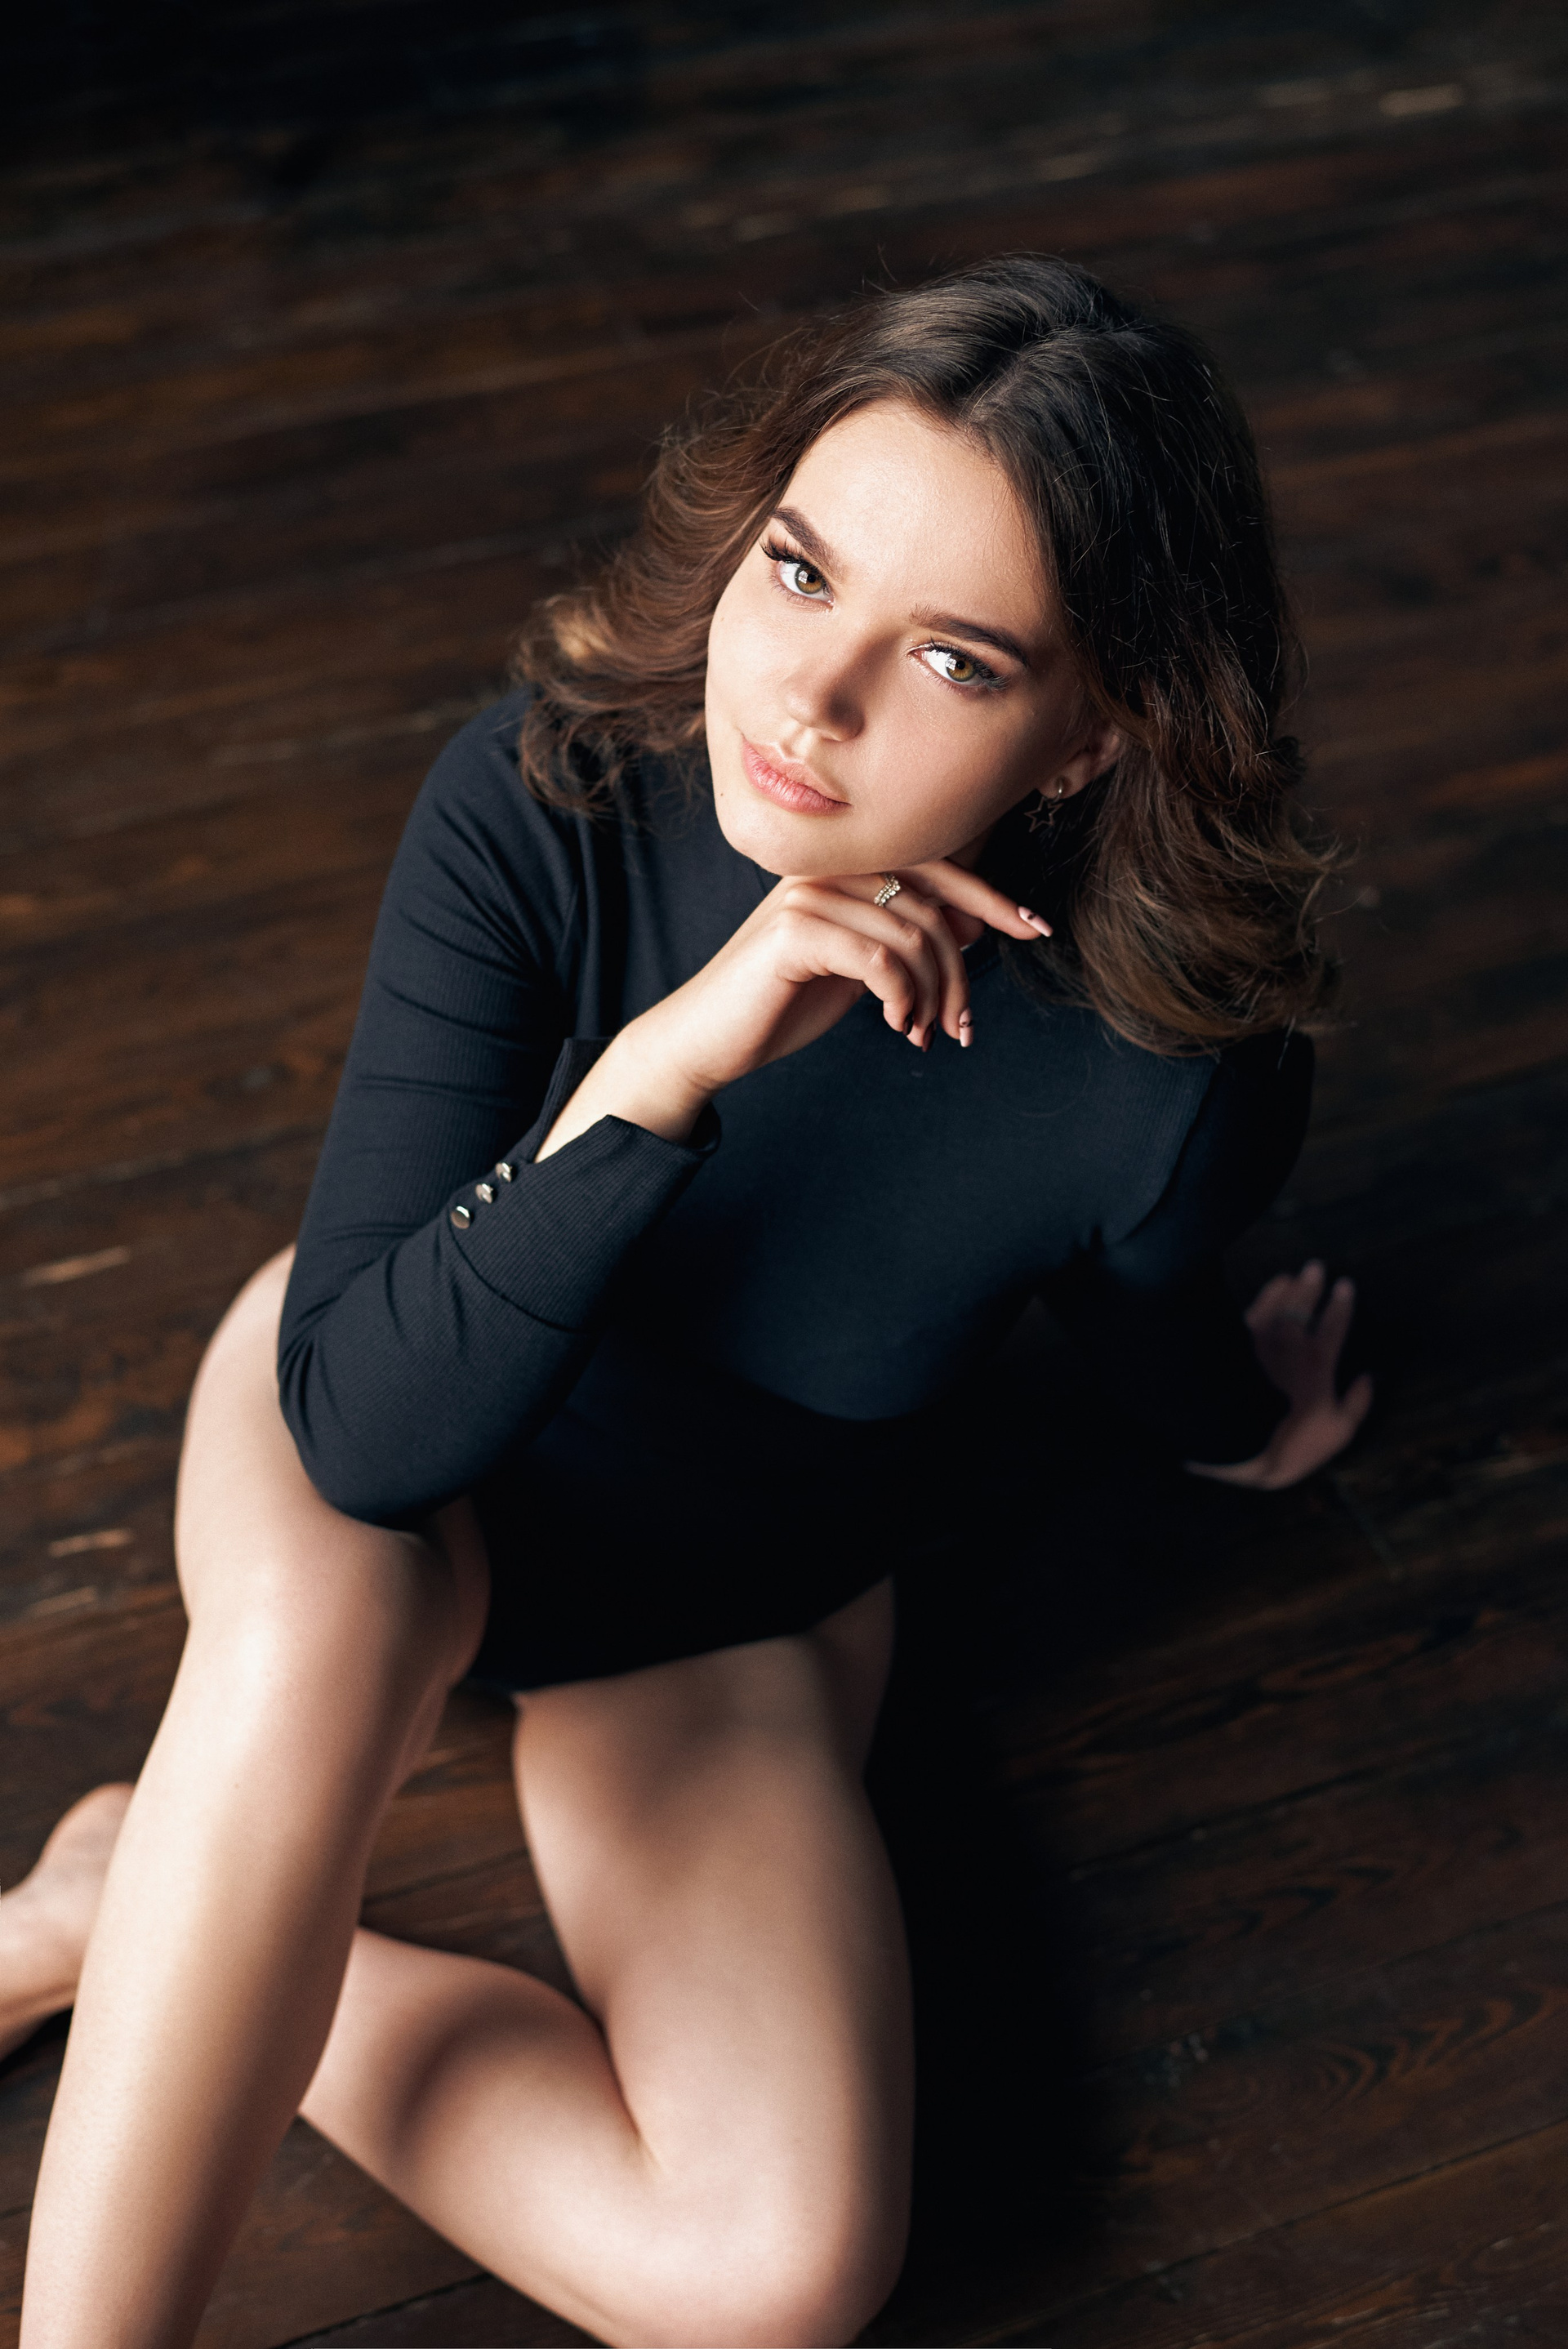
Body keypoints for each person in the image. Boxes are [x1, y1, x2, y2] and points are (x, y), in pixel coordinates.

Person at [3, 255, 1372, 2348]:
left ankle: (138, 1903)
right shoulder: (538, 797)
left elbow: (1142, 1297)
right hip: (388, 1438)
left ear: (1093, 731)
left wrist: (1241, 1421)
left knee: (773, 2272)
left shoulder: (1174, 1072)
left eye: (954, 659)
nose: (811, 698)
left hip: (729, 1604)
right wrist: (662, 1071)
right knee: (315, 1629)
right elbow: (361, 1431)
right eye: (802, 571)